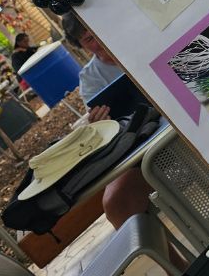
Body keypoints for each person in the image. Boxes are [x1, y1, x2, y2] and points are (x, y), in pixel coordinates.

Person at [61, 14, 158, 236]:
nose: (98, 41)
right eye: (89, 39)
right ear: (82, 45)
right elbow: (105, 133)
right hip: (142, 145)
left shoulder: (142, 39)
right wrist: (100, 125)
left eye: (97, 31)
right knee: (115, 204)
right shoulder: (91, 79)